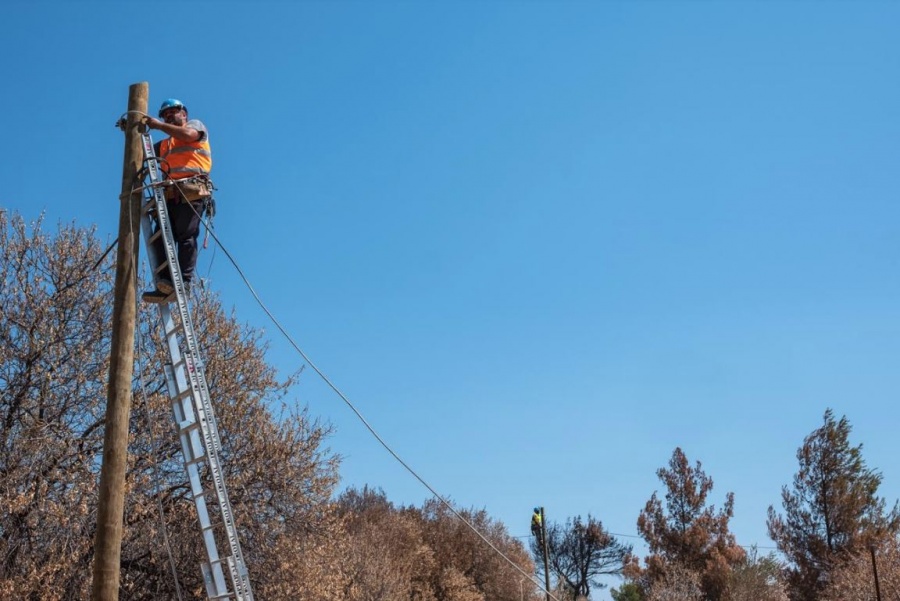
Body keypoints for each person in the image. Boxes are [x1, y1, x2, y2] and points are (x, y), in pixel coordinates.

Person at [141, 98, 213, 303]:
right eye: (165, 115)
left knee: (186, 237)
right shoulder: (164, 145)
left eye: (173, 112)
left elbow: (188, 135)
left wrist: (158, 125)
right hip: (170, 196)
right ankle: (165, 283)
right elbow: (140, 153)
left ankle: (185, 282)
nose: (169, 116)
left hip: (191, 193)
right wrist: (134, 130)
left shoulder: (195, 127)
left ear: (184, 114)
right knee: (159, 238)